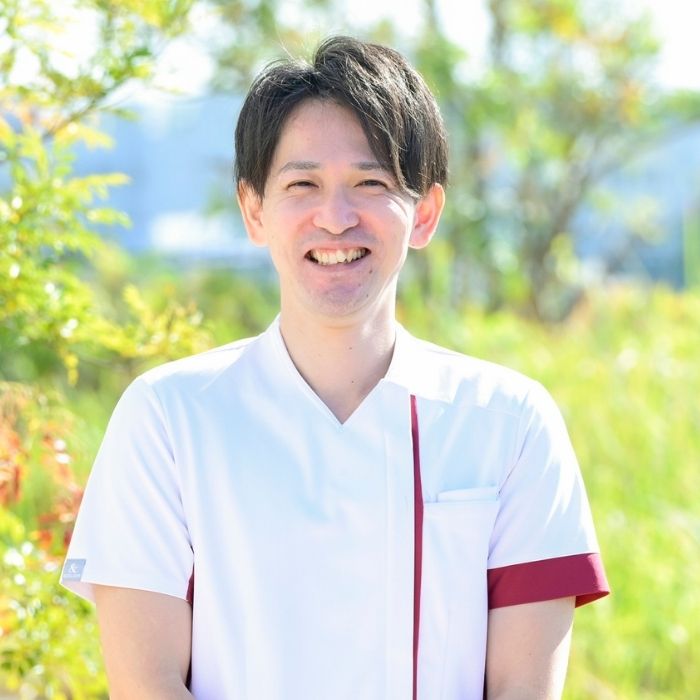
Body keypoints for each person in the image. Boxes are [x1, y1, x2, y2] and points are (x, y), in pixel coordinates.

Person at [61, 35, 609, 699]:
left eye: (370, 183)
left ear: (425, 214)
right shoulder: (168, 418)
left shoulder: (509, 422)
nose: (336, 218)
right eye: (303, 184)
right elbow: (146, 684)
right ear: (254, 210)